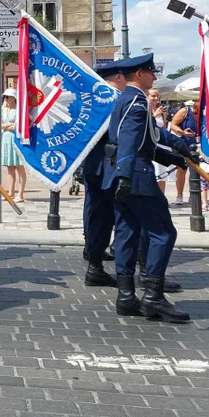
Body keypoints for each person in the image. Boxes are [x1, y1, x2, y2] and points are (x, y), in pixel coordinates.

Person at [103, 53, 192, 323]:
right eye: (151, 72)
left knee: (127, 234)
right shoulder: (137, 101)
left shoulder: (126, 99)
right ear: (139, 74)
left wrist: (171, 155)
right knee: (164, 233)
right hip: (136, 178)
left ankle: (126, 296)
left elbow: (146, 138)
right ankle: (153, 296)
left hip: (122, 174)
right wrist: (127, 175)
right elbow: (129, 139)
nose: (154, 76)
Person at [80, 60, 126, 287]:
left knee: (99, 219)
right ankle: (146, 277)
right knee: (129, 220)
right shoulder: (115, 101)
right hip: (113, 168)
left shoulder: (94, 102)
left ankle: (95, 266)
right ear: (118, 77)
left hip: (95, 167)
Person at [169, 99, 199, 204]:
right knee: (182, 170)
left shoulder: (206, 113)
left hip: (199, 146)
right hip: (184, 144)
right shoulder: (185, 111)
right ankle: (179, 195)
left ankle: (194, 195)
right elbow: (173, 125)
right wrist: (182, 132)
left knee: (196, 171)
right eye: (196, 112)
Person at [0, 89, 26, 203]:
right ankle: (10, 192)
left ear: (14, 98)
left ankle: (20, 193)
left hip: (15, 138)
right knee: (10, 167)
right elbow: (0, 124)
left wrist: (7, 126)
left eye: (8, 97)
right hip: (5, 139)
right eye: (5, 97)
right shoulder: (4, 110)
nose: (6, 99)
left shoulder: (18, 110)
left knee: (19, 166)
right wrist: (7, 125)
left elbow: (17, 126)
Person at [147, 88, 168, 194]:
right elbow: (144, 126)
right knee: (152, 173)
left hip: (160, 144)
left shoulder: (162, 112)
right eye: (153, 96)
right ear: (147, 96)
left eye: (157, 96)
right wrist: (154, 115)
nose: (156, 99)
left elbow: (163, 128)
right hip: (149, 144)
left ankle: (162, 198)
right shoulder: (144, 110)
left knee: (162, 173)